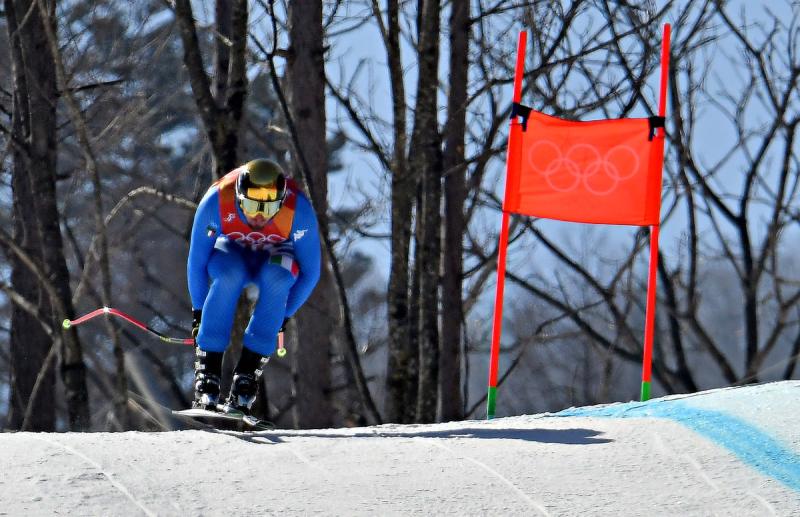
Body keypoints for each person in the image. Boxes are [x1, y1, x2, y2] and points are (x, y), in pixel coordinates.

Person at [187, 158, 320, 413]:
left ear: (281, 202)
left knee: (278, 278)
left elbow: (311, 272)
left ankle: (246, 379)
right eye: (250, 205)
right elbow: (196, 263)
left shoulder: (298, 210)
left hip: (276, 255)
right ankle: (208, 376)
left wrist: (284, 315)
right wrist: (198, 313)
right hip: (233, 252)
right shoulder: (216, 201)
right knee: (229, 275)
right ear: (238, 197)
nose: (258, 216)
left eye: (269, 210)